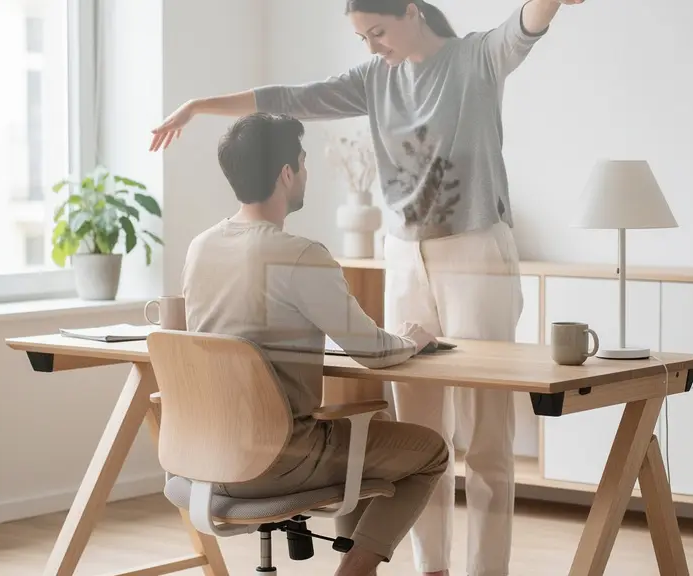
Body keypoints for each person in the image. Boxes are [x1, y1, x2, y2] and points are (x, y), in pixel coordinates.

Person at [154, 2, 586, 574]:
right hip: (404, 254)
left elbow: (526, 25)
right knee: (419, 428)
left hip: (475, 251)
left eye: (378, 32)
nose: (373, 47)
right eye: (362, 38)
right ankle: (431, 567)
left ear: (412, 11)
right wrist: (198, 106)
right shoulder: (373, 81)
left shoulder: (474, 59)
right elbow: (287, 97)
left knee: (486, 432)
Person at [180, 111, 449, 576]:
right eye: (303, 163)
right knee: (430, 451)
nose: (306, 173)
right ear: (286, 174)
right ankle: (353, 571)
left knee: (374, 422)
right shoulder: (302, 255)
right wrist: (410, 338)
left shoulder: (200, 247)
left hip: (205, 459)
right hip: (279, 459)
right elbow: (374, 352)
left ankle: (351, 552)